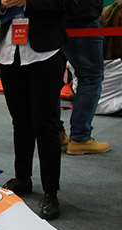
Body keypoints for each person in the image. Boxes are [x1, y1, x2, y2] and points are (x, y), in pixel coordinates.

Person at [0, 0, 74, 220]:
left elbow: (69, 5)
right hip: (8, 52)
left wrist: (27, 2)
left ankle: (51, 192)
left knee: (46, 123)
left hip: (45, 51)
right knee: (20, 121)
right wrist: (2, 5)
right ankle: (23, 177)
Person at [61, 0, 111, 155]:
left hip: (54, 21)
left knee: (52, 78)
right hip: (82, 20)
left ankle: (56, 131)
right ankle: (80, 138)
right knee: (91, 77)